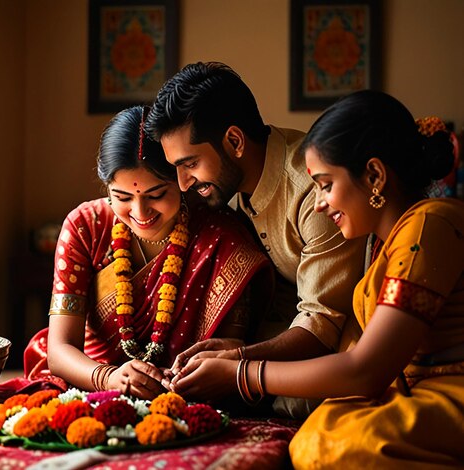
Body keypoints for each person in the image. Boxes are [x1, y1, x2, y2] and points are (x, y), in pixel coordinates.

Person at [168, 90, 464, 467]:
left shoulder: (428, 225)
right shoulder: (385, 242)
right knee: (318, 432)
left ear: (373, 175)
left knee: (334, 446)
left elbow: (366, 370)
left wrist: (240, 372)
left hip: (447, 390)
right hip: (407, 390)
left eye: (325, 184)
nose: (320, 203)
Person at [145, 61, 367, 416]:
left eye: (190, 164)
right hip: (296, 343)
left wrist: (238, 361)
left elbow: (322, 324)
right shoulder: (233, 189)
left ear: (234, 141)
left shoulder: (314, 192)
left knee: (290, 406)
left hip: (352, 347)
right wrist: (228, 351)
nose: (184, 183)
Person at [23, 105, 273, 400]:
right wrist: (108, 377)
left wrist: (179, 380)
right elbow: (60, 350)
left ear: (182, 181)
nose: (140, 213)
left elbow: (228, 352)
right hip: (89, 382)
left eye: (156, 195)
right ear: (107, 189)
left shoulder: (221, 237)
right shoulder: (86, 227)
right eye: (122, 197)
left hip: (185, 393)